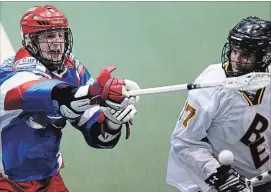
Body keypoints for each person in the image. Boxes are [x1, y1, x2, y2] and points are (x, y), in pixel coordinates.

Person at [0, 5, 140, 192]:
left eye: (61, 35)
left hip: (48, 178)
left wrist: (112, 122)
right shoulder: (14, 73)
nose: (57, 43)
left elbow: (98, 137)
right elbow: (55, 95)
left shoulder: (71, 68)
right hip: (6, 181)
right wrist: (95, 91)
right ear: (30, 41)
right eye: (49, 36)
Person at [166, 16, 271, 192]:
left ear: (264, 56)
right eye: (234, 51)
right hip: (226, 185)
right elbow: (183, 141)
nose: (235, 59)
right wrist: (220, 175)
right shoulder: (210, 87)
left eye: (245, 54)